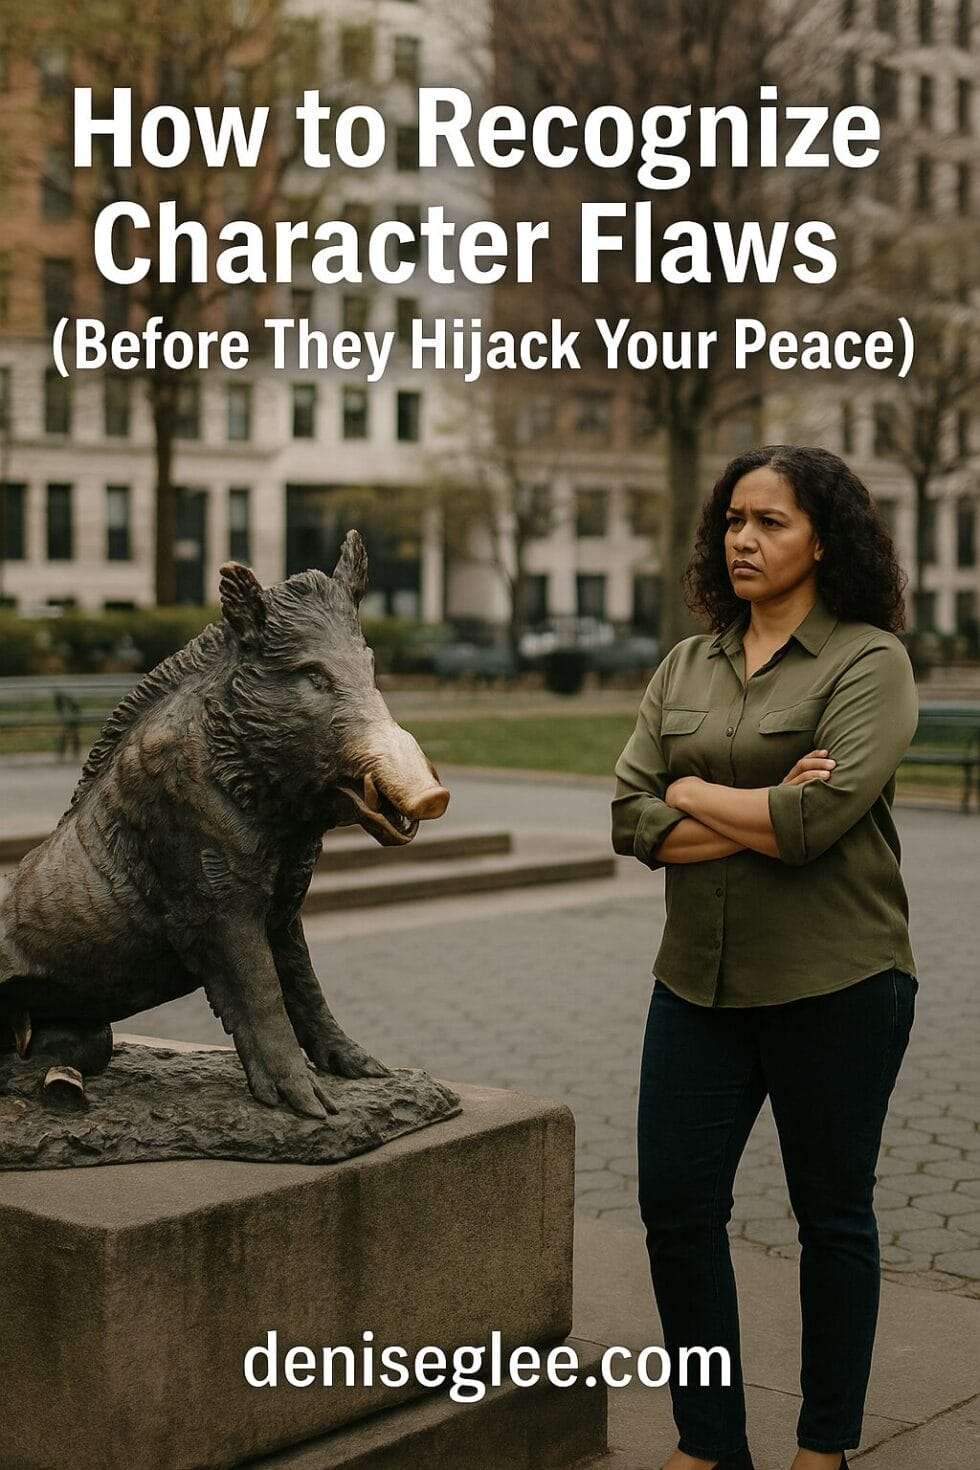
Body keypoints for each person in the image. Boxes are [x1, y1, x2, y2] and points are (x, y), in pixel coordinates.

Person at [611, 446, 920, 1470]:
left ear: (821, 538)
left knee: (830, 1217)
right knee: (672, 1210)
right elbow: (626, 814)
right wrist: (748, 803)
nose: (742, 538)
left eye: (770, 521)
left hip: (836, 980)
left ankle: (822, 1445)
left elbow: (817, 822)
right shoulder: (688, 662)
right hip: (693, 981)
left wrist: (688, 793)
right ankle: (709, 1445)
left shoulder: (867, 661)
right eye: (733, 519)